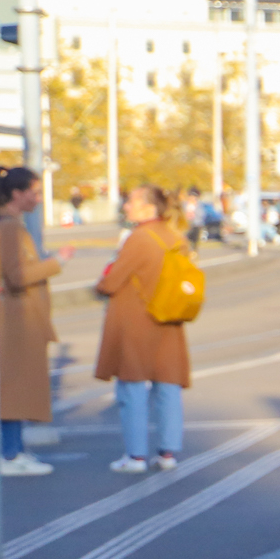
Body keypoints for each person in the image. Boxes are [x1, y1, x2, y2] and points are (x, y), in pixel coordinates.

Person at [94, 185, 194, 474]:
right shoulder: (175, 236)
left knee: (133, 388)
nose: (126, 207)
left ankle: (135, 456)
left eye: (131, 202)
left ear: (149, 209)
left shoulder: (139, 238)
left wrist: (101, 283)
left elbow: (112, 281)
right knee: (168, 386)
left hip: (137, 321)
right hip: (170, 319)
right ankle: (168, 452)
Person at [0, 166, 73, 476]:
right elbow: (17, 275)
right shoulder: (11, 228)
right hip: (17, 318)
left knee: (14, 386)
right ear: (17, 194)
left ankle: (14, 451)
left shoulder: (7, 225)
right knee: (14, 387)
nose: (39, 199)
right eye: (35, 193)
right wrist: (58, 262)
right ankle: (10, 454)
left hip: (15, 316)